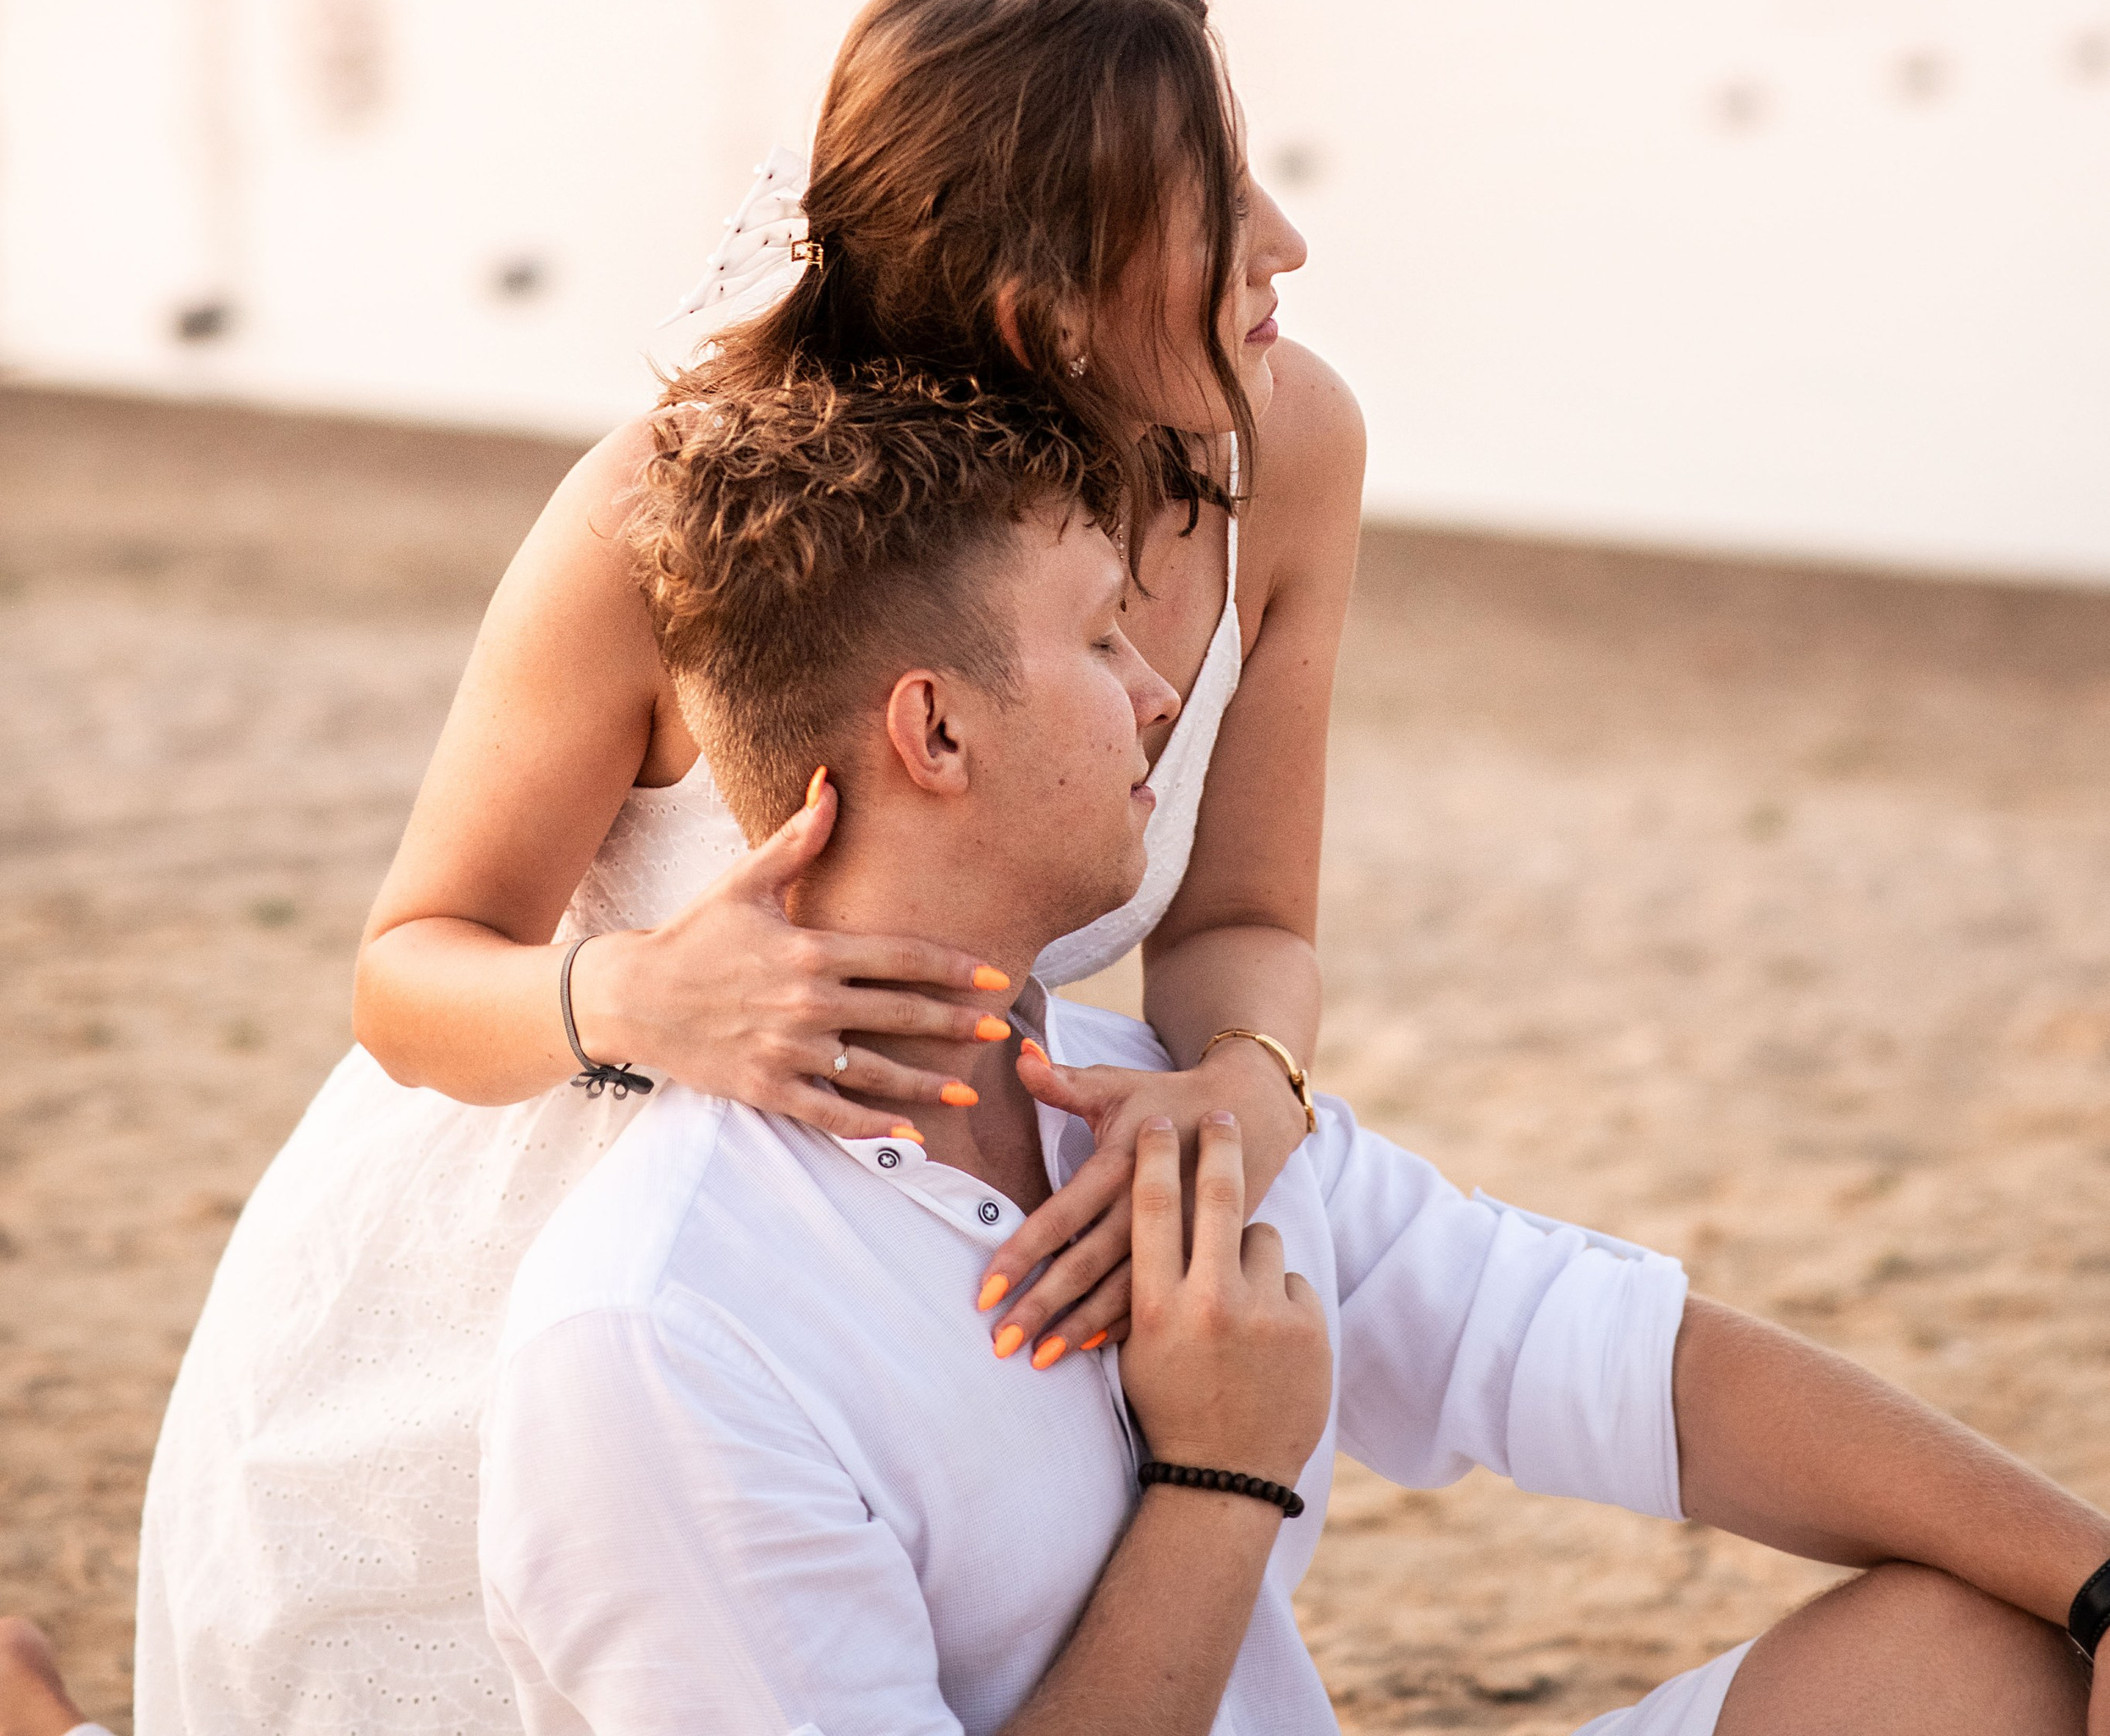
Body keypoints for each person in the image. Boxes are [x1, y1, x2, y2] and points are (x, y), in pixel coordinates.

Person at [480, 364, 2110, 1736]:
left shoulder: (1145, 1111)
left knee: (1980, 1654)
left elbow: (1631, 1373)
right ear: (935, 730)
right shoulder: (664, 1335)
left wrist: (2099, 1587)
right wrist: (1220, 1475)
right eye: (1102, 641)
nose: (1160, 696)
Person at [132, 0, 1366, 1733]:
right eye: (1210, 201)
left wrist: (1240, 1091)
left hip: (948, 1266)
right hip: (554, 1286)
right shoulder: (679, 515)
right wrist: (642, 998)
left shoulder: (1283, 448)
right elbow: (408, 974)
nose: (1284, 243)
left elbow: (1248, 913)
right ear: (1042, 309)